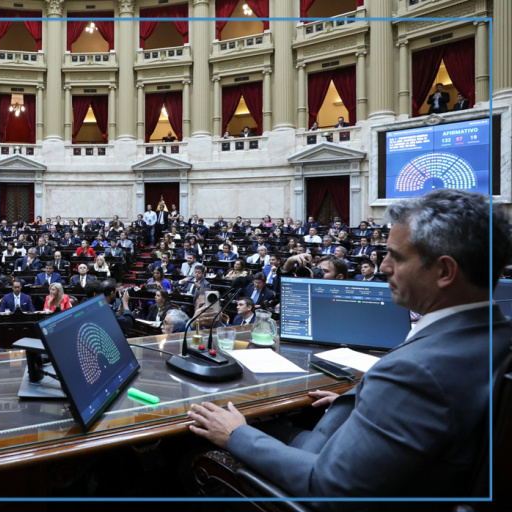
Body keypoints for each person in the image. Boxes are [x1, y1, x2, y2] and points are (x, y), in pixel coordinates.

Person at [187, 189, 512, 504]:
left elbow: (328, 487)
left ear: (444, 271)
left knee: (189, 446)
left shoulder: (416, 373)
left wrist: (236, 435)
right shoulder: (496, 334)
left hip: (331, 477)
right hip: (383, 459)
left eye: (396, 257)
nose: (384, 267)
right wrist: (367, 403)